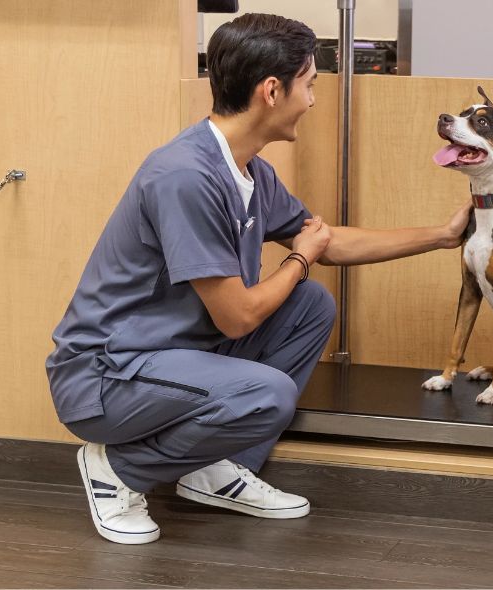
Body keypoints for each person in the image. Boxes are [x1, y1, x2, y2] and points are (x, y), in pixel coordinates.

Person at [46, 13, 470, 545]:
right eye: (310, 84)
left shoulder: (250, 173)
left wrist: (442, 236)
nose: (313, 100)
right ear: (272, 91)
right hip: (106, 378)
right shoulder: (186, 176)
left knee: (310, 306)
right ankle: (120, 471)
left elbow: (325, 239)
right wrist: (299, 260)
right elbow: (240, 314)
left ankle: (214, 467)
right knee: (266, 392)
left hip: (168, 359)